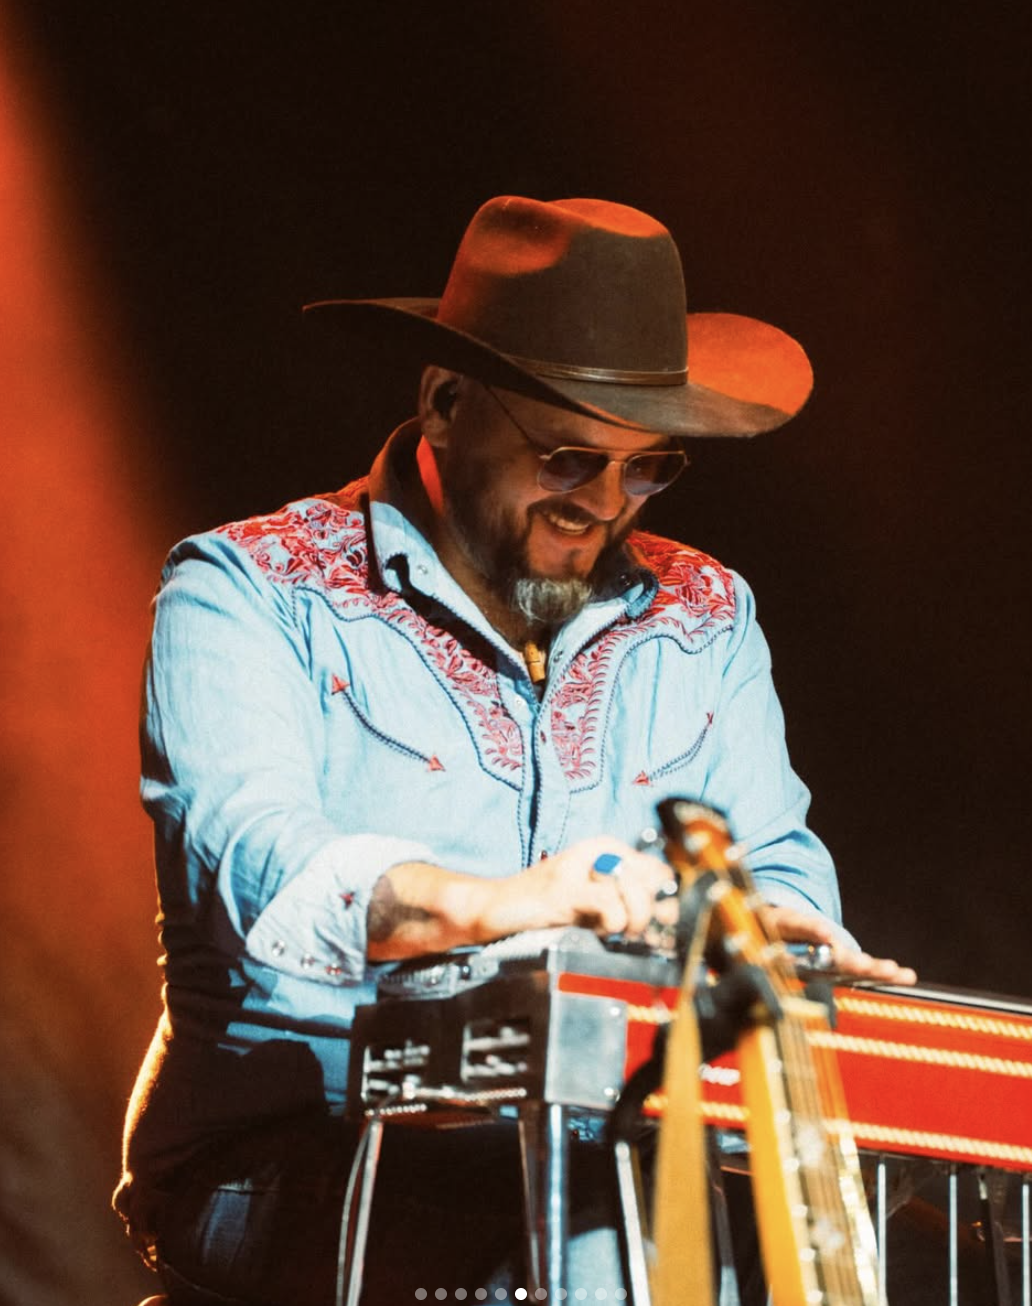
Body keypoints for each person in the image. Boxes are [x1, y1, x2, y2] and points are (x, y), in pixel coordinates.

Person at [115, 195, 915, 1305]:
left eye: (650, 469)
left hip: (602, 1149)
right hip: (292, 1153)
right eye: (571, 457)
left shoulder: (706, 611)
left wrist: (767, 928)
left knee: (787, 1233)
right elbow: (261, 874)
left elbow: (774, 854)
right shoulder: (249, 589)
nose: (603, 507)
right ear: (446, 404)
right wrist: (505, 903)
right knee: (617, 1249)